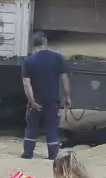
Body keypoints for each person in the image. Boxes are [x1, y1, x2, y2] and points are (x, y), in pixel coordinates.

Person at [21, 31, 71, 160]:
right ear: (45, 43)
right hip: (52, 100)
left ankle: (28, 153)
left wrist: (32, 102)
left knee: (32, 126)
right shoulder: (58, 58)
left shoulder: (29, 61)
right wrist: (67, 97)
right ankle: (53, 154)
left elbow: (27, 85)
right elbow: (64, 79)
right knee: (51, 126)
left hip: (36, 99)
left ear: (33, 45)